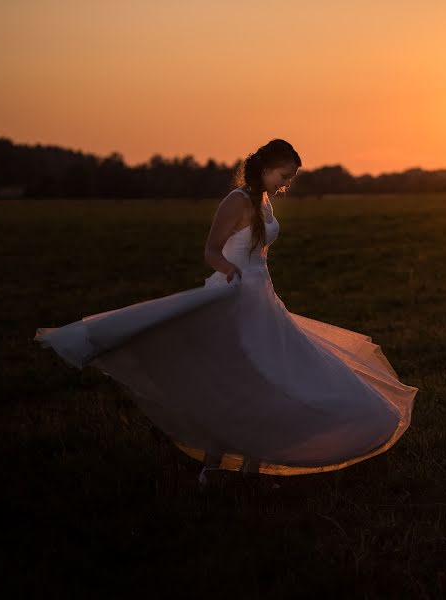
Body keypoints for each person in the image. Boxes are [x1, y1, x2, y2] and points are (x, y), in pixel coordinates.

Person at [35, 139, 418, 487]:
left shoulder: (263, 201)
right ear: (267, 167)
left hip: (262, 300)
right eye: (285, 175)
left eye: (292, 178)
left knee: (268, 378)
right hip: (234, 297)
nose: (287, 183)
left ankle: (251, 465)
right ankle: (216, 464)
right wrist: (228, 270)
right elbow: (211, 251)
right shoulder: (236, 200)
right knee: (243, 376)